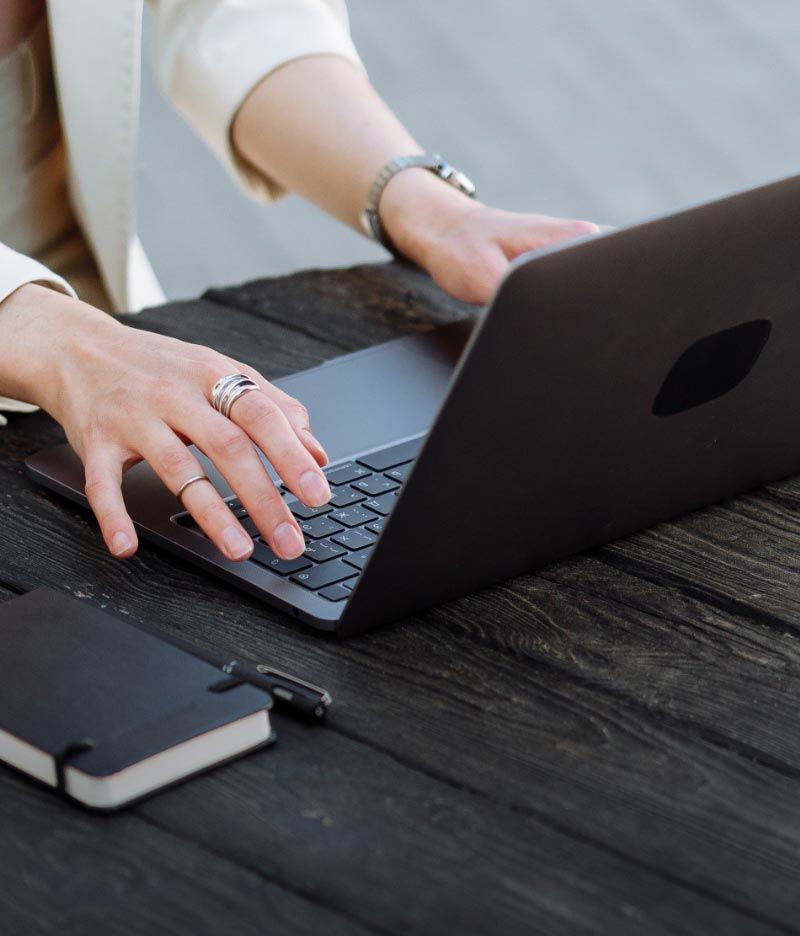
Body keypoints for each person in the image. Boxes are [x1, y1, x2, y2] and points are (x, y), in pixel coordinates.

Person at [0, 0, 599, 566]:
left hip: (101, 321)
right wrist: (56, 339)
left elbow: (240, 15)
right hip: (77, 345)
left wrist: (423, 206)